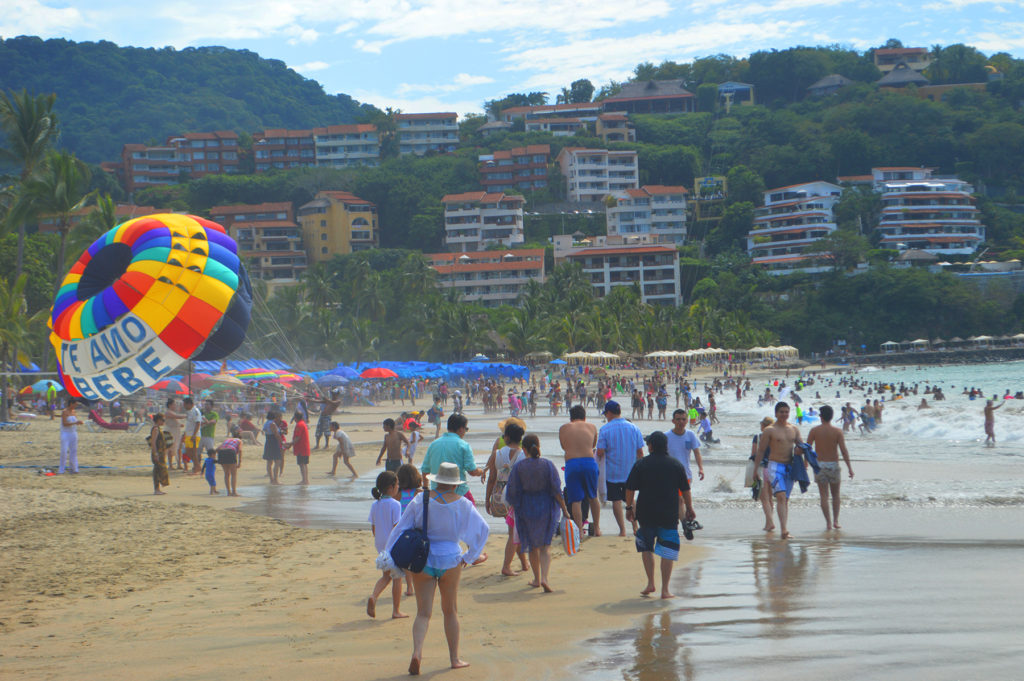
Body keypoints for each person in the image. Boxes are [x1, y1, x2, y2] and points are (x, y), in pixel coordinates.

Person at [385, 462, 489, 675]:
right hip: (451, 558)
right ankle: (454, 658)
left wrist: (388, 555)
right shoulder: (463, 503)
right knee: (450, 611)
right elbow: (483, 529)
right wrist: (470, 556)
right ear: (454, 485)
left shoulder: (419, 500)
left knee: (423, 613)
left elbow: (400, 528)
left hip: (423, 559)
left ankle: (417, 652)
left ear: (436, 480)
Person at [625, 431, 695, 600]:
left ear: (650, 446)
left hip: (646, 512)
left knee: (647, 547)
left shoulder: (641, 464)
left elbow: (629, 488)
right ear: (666, 446)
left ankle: (650, 583)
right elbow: (685, 490)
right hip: (668, 513)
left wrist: (629, 508)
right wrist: (689, 509)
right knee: (667, 550)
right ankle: (665, 590)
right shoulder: (676, 465)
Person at [505, 434, 573, 592]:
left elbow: (512, 491)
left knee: (532, 546)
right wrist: (565, 509)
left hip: (526, 508)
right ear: (539, 446)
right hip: (546, 507)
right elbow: (556, 490)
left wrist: (515, 506)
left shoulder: (519, 467)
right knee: (545, 547)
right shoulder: (548, 465)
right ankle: (544, 578)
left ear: (524, 449)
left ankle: (536, 579)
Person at [753, 402, 804, 539]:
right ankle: (784, 530)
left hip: (789, 467)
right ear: (776, 413)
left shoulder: (794, 429)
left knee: (785, 499)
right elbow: (761, 451)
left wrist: (804, 459)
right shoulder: (769, 430)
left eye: (786, 412)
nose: (784, 414)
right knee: (780, 496)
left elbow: (801, 446)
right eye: (781, 412)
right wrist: (755, 470)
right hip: (774, 466)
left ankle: (783, 529)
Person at [484, 422, 529, 577]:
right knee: (513, 532)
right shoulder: (524, 455)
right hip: (516, 496)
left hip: (499, 495)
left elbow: (491, 478)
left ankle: (524, 563)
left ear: (507, 437)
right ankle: (506, 566)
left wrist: (487, 499)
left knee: (514, 530)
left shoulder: (497, 454)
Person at [596, 400, 645, 536]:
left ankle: (622, 530)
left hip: (612, 472)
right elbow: (640, 452)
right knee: (630, 499)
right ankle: (635, 527)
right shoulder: (634, 428)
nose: (606, 416)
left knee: (616, 500)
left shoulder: (605, 429)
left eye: (606, 413)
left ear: (610, 413)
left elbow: (600, 452)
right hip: (631, 471)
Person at [806, 405, 854, 530]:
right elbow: (844, 451)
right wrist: (849, 467)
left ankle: (828, 522)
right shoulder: (837, 431)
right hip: (833, 464)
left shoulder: (814, 431)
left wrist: (805, 463)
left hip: (819, 465)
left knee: (824, 496)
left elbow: (807, 449)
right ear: (832, 416)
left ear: (820, 416)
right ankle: (836, 521)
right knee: (836, 495)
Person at [420, 414, 484, 504]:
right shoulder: (463, 445)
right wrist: (481, 471)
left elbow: (425, 470)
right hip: (459, 492)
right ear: (461, 429)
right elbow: (472, 471)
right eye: (466, 429)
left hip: (436, 494)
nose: (465, 432)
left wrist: (426, 488)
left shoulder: (433, 444)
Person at [367, 471, 406, 620]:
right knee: (397, 577)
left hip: (380, 544)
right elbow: (397, 527)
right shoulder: (395, 505)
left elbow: (374, 527)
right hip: (393, 545)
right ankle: (396, 610)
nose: (398, 488)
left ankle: (374, 596)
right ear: (391, 487)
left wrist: (379, 541)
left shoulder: (375, 504)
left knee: (386, 576)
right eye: (397, 485)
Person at [560, 405, 601, 537]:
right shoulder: (592, 427)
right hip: (589, 462)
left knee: (575, 500)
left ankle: (578, 531)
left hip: (572, 464)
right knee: (593, 497)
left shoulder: (564, 428)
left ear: (571, 418)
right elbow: (593, 445)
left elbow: (564, 446)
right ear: (584, 417)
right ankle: (597, 529)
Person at [666, 409, 703, 523]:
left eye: (683, 419)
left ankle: (685, 520)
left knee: (682, 500)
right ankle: (684, 524)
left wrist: (701, 468)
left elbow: (697, 452)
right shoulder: (666, 436)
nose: (681, 422)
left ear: (687, 420)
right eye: (678, 419)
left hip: (686, 474)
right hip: (670, 475)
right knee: (678, 500)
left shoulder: (690, 435)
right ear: (673, 421)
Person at [751, 416, 775, 531]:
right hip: (773, 469)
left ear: (763, 426)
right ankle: (768, 522)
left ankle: (770, 522)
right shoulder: (775, 437)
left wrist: (754, 470)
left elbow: (754, 454)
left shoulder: (758, 437)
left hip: (762, 469)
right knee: (770, 498)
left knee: (764, 498)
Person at [287, 410, 311, 485]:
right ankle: (305, 480)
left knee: (302, 464)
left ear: (295, 418)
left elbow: (297, 437)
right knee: (304, 464)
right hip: (305, 447)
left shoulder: (299, 425)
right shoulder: (303, 423)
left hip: (301, 447)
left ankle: (304, 480)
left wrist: (290, 444)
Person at [58, 398, 82, 475]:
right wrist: (75, 422)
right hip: (65, 433)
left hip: (73, 433)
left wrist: (78, 423)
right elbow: (64, 423)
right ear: (71, 404)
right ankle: (61, 469)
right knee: (64, 451)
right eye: (75, 404)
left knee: (74, 451)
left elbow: (74, 422)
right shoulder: (65, 412)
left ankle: (74, 468)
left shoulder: (74, 412)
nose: (76, 406)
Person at [149, 413, 170, 495]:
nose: (164, 422)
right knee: (157, 470)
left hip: (160, 452)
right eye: (163, 420)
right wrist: (155, 453)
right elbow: (153, 442)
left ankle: (158, 489)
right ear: (158, 420)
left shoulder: (157, 428)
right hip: (158, 452)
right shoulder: (155, 429)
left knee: (159, 470)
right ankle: (156, 489)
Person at [262, 410, 283, 485]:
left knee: (269, 462)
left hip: (268, 442)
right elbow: (276, 435)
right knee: (277, 461)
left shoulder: (266, 423)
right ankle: (275, 480)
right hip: (273, 442)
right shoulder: (272, 424)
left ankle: (271, 479)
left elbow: (264, 431)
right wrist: (282, 442)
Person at [183, 397, 202, 475]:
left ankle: (196, 468)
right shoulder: (189, 411)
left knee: (193, 452)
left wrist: (194, 434)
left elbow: (198, 423)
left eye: (185, 404)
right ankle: (197, 466)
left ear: (189, 404)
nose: (184, 406)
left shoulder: (196, 411)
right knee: (188, 452)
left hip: (194, 435)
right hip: (188, 434)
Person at [163, 398, 184, 469]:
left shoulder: (173, 412)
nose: (176, 406)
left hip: (176, 432)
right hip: (170, 432)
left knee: (178, 448)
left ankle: (179, 464)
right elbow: (178, 417)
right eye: (174, 404)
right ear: (170, 405)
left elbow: (175, 420)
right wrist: (187, 415)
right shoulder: (168, 412)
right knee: (170, 448)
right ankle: (170, 465)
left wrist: (180, 425)